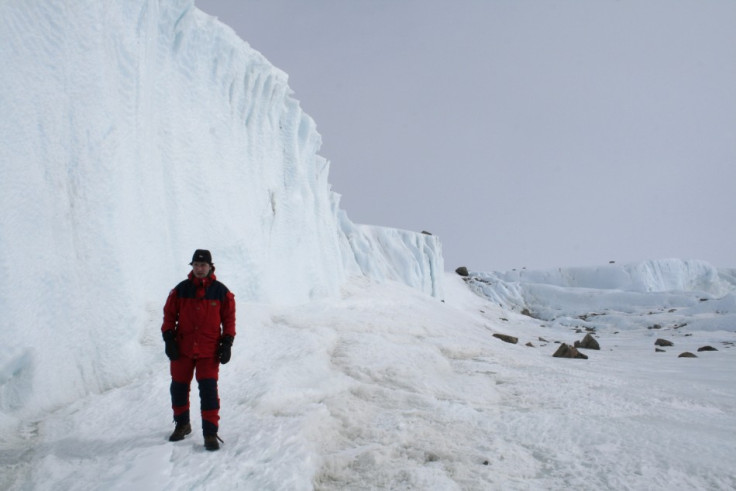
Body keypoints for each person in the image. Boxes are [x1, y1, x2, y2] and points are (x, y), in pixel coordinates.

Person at [161, 249, 236, 451]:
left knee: (209, 391)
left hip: (208, 351)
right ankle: (182, 424)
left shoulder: (221, 292)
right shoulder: (180, 290)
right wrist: (169, 339)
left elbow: (229, 320)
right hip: (182, 349)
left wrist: (227, 343)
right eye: (195, 265)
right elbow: (169, 316)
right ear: (192, 266)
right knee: (178, 388)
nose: (199, 268)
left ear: (211, 267)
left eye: (203, 265)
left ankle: (210, 433)